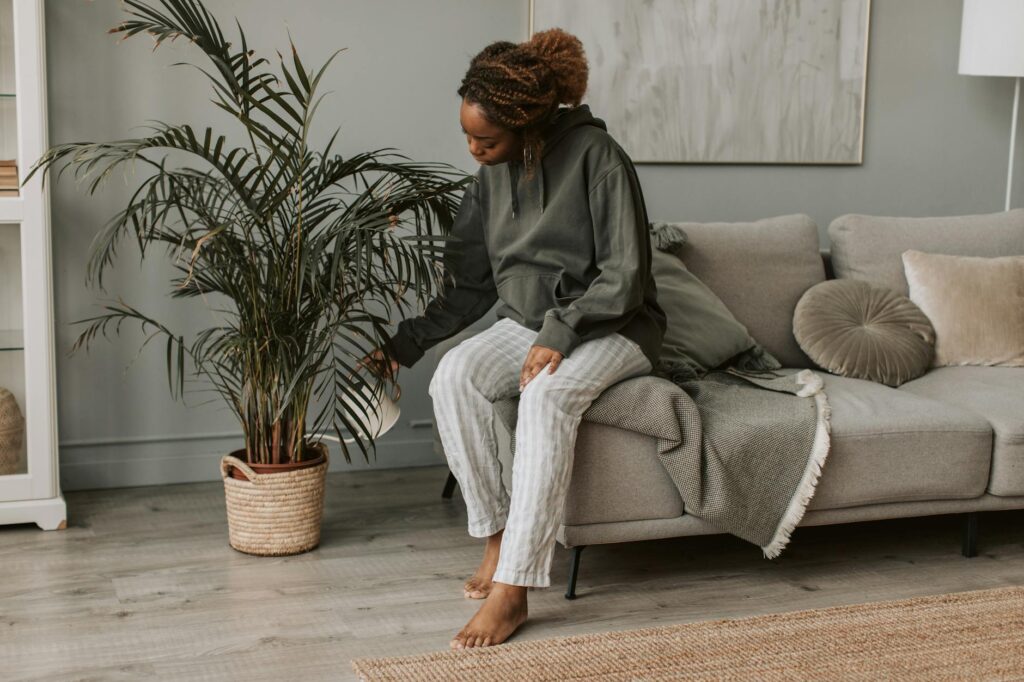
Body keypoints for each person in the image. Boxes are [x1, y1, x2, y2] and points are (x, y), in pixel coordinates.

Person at [360, 27, 666, 649]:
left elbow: (626, 275)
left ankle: (516, 589)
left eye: (486, 138)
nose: (473, 148)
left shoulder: (598, 158)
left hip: (617, 327)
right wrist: (403, 345)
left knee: (546, 395)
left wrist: (562, 330)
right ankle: (498, 542)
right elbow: (469, 284)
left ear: (526, 125)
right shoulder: (490, 175)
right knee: (455, 375)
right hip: (530, 322)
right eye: (468, 135)